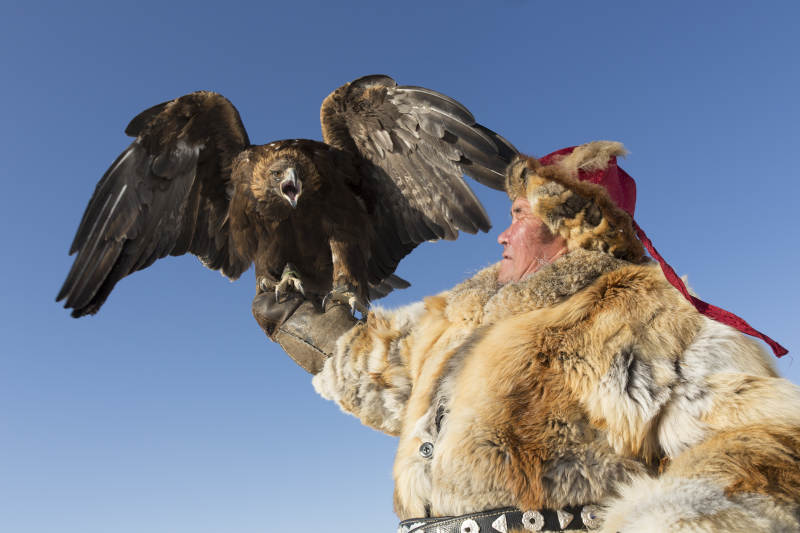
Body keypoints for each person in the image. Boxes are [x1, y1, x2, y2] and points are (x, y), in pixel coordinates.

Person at [252, 141, 799, 533]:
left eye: (517, 215)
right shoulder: (459, 315)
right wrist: (298, 322)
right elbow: (377, 372)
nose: (502, 233)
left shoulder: (643, 316)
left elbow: (761, 448)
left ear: (569, 227)